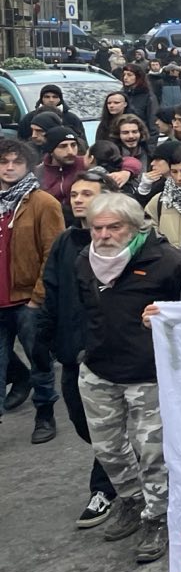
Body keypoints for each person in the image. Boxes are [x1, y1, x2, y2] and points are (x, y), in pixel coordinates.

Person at [76, 191, 181, 563]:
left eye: (114, 227)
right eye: (97, 228)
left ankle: (158, 517)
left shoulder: (171, 262)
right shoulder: (85, 260)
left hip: (150, 375)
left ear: (135, 227)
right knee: (108, 449)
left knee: (153, 454)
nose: (105, 235)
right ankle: (130, 500)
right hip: (99, 370)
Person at [33, 170, 117, 524]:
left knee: (110, 424)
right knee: (84, 424)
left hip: (113, 353)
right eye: (76, 194)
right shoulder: (66, 242)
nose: (77, 199)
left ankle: (104, 488)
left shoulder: (124, 241)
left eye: (88, 193)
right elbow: (51, 290)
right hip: (71, 352)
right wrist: (49, 340)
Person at [0, 137, 66, 441]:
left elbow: (53, 255)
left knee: (40, 361)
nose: (9, 167)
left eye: (17, 162)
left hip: (28, 299)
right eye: (4, 162)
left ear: (28, 165)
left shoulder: (43, 203)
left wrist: (38, 298)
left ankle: (44, 415)